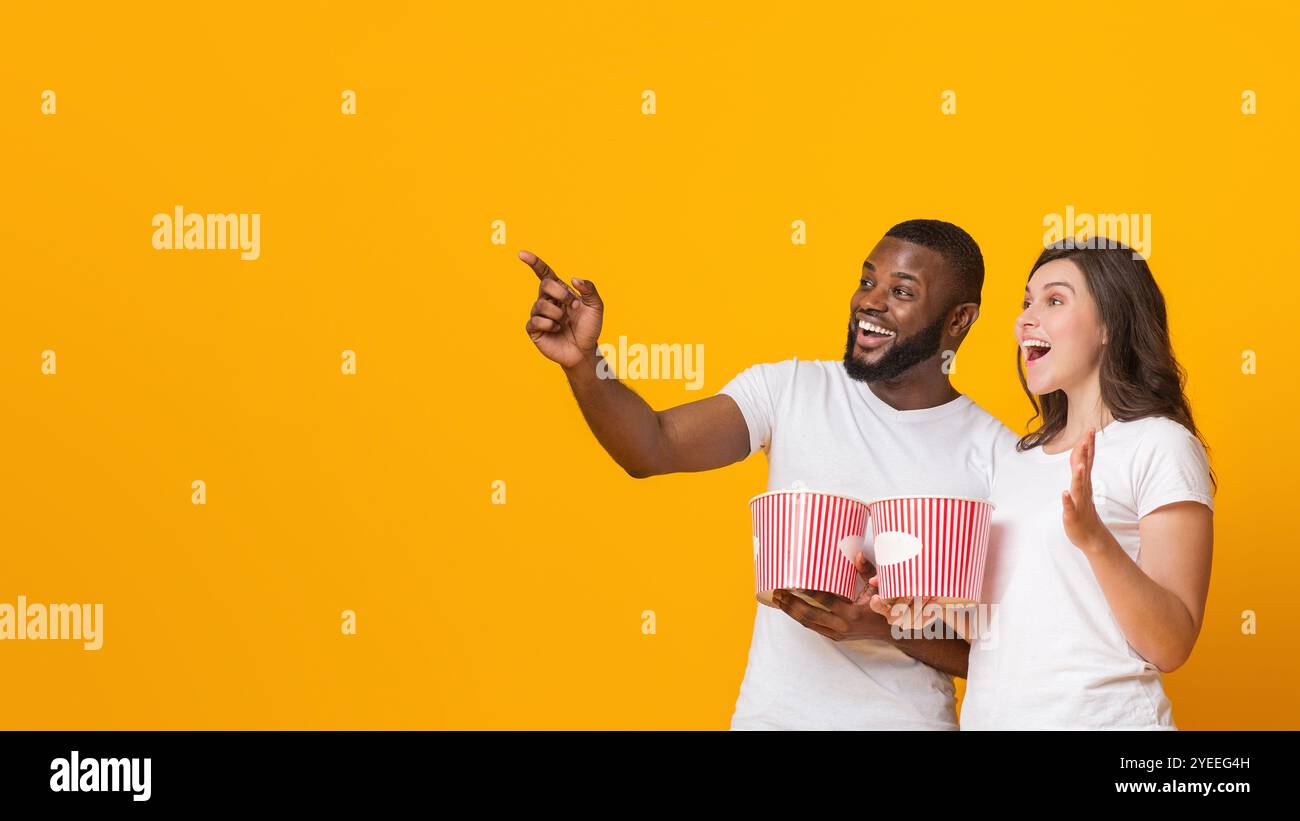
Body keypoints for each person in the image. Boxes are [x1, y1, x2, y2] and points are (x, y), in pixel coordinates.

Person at [521, 219, 1016, 730]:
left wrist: (881, 628)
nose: (870, 301)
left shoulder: (998, 456)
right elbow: (652, 447)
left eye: (902, 291)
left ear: (959, 319)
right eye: (867, 281)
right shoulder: (790, 390)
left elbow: (1007, 658)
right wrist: (584, 365)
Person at [876, 241, 1215, 730]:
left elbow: (1172, 644)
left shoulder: (1159, 445)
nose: (1026, 319)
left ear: (1110, 326)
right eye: (1026, 302)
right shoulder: (1016, 460)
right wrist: (930, 607)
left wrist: (1094, 539)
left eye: (1054, 301)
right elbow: (1013, 630)